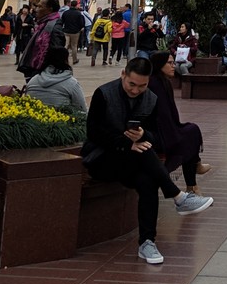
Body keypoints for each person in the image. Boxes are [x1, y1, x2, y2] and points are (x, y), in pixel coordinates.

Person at [81, 57, 213, 265]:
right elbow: (93, 133)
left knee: (147, 180)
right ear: (123, 74)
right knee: (143, 155)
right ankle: (178, 196)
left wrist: (143, 134)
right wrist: (126, 144)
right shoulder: (103, 94)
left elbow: (155, 136)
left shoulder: (151, 98)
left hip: (132, 162)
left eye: (141, 86)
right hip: (101, 159)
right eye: (131, 84)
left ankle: (147, 242)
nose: (135, 90)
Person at [148, 51, 213, 192]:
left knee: (191, 131)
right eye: (170, 63)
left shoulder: (163, 81)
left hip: (165, 128)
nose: (173, 66)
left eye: (174, 63)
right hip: (157, 133)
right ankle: (193, 180)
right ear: (159, 65)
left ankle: (193, 181)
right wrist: (174, 134)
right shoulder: (155, 83)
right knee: (190, 134)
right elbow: (162, 115)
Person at [24, 46, 87, 113]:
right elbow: (82, 109)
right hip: (62, 121)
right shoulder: (72, 84)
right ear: (65, 61)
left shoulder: (33, 81)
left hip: (32, 121)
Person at [17, 0, 64, 80]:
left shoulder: (53, 27)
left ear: (50, 8)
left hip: (42, 75)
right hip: (35, 72)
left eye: (40, 7)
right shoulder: (42, 24)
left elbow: (56, 53)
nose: (36, 9)